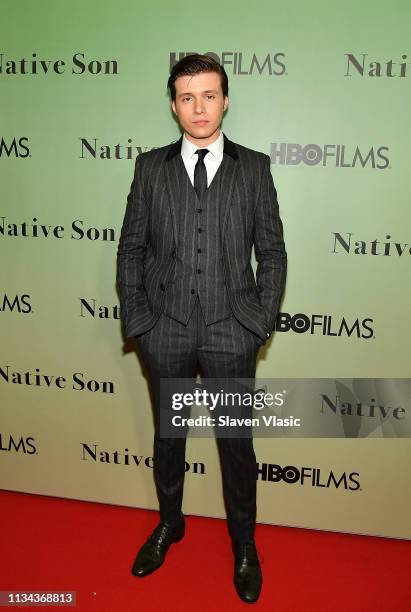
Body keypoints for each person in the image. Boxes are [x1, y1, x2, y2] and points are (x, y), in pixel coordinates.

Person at [116, 53, 287, 603]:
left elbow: (274, 253)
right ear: (173, 104)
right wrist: (140, 319)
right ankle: (171, 522)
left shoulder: (254, 168)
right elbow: (131, 249)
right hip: (163, 331)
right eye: (187, 97)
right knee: (169, 439)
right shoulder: (149, 167)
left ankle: (243, 544)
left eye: (208, 95)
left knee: (236, 445)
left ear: (225, 100)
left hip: (230, 332)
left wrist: (256, 321)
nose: (198, 107)